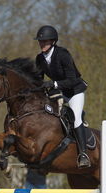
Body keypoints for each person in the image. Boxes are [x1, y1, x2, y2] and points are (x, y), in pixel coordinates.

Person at [34, 25, 90, 168]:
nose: (42, 44)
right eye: (40, 41)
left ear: (53, 41)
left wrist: (53, 84)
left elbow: (72, 79)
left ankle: (83, 154)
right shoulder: (39, 59)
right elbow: (38, 80)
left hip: (74, 91)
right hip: (59, 92)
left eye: (45, 41)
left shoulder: (63, 54)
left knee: (75, 117)